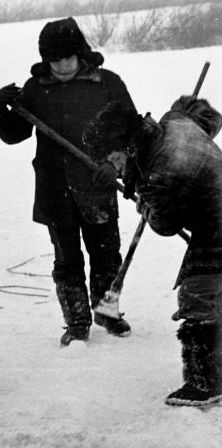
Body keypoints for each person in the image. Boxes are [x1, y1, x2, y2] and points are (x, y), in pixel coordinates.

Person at [0, 17, 137, 346]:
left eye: (68, 58)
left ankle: (106, 311)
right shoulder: (36, 89)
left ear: (81, 53)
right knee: (67, 259)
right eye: (55, 60)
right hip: (55, 186)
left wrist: (116, 163)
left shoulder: (105, 83)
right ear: (45, 60)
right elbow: (16, 133)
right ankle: (77, 323)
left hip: (97, 182)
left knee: (106, 254)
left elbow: (129, 129)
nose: (63, 66)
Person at [84, 96, 222, 406]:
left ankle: (206, 384)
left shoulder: (159, 172)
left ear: (129, 147)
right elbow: (208, 118)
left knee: (197, 297)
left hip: (217, 224)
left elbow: (166, 223)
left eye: (116, 161)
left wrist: (145, 205)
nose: (117, 171)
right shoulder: (173, 120)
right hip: (214, 214)